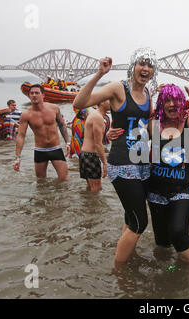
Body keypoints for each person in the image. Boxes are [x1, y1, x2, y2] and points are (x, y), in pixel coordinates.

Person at [73, 48, 158, 265]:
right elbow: (79, 104)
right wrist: (99, 74)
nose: (145, 68)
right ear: (133, 66)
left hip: (141, 162)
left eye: (150, 65)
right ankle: (119, 272)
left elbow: (149, 129)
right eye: (142, 63)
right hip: (122, 162)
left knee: (131, 216)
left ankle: (127, 256)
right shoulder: (118, 88)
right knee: (140, 222)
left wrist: (178, 125)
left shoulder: (148, 94)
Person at [147, 80, 189, 263]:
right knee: (162, 242)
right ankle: (170, 274)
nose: (171, 104)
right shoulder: (154, 125)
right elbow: (137, 120)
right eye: (167, 100)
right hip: (156, 189)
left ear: (182, 103)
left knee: (178, 232)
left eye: (175, 100)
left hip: (184, 188)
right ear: (161, 104)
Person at [13, 84, 71, 181]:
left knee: (64, 180)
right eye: (32, 93)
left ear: (43, 95)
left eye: (37, 93)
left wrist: (68, 142)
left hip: (55, 148)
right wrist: (17, 157)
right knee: (41, 182)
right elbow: (21, 136)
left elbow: (62, 125)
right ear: (29, 95)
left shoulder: (54, 108)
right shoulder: (26, 114)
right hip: (40, 151)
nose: (34, 95)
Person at [79, 101, 109, 192]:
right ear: (102, 102)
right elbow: (98, 143)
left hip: (85, 154)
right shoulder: (97, 117)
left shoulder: (94, 114)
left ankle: (87, 205)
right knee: (96, 189)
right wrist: (105, 163)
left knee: (90, 188)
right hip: (90, 155)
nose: (112, 102)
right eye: (109, 100)